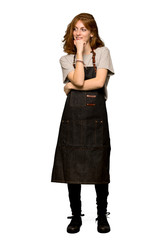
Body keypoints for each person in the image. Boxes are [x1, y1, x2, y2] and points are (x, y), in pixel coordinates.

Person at [51, 13, 115, 234]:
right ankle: (76, 216)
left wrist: (69, 87)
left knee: (99, 168)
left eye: (83, 29)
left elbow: (97, 82)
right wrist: (78, 53)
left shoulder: (103, 53)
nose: (78, 32)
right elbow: (80, 79)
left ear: (92, 32)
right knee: (72, 168)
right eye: (75, 29)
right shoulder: (66, 59)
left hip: (96, 121)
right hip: (73, 121)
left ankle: (101, 215)